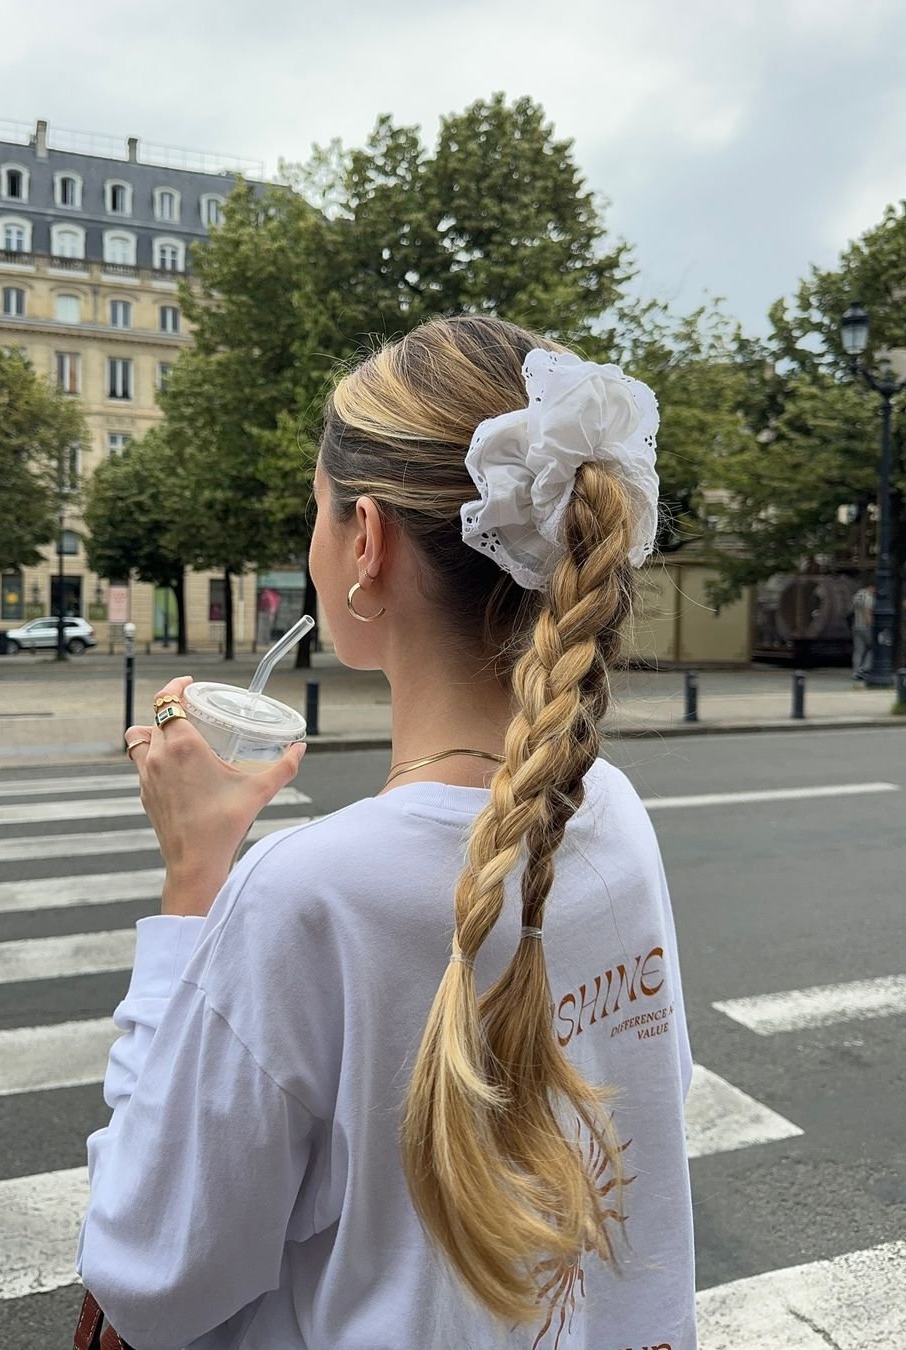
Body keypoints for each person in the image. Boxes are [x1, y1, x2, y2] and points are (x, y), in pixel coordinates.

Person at [77, 317, 696, 1350]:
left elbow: (151, 1273)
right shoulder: (609, 810)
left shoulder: (308, 893)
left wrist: (193, 881)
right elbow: (640, 1104)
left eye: (315, 514)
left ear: (366, 540)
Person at [851, 581, 875, 680]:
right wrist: (871, 624)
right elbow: (867, 612)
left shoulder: (857, 595)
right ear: (871, 587)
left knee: (858, 651)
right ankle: (864, 668)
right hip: (865, 627)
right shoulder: (868, 597)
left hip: (856, 626)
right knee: (874, 647)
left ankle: (856, 672)